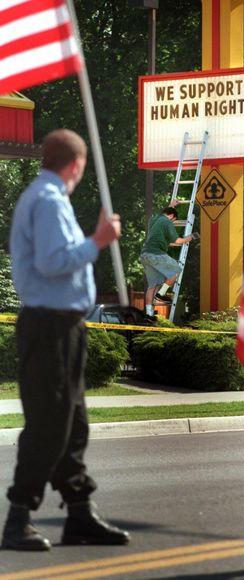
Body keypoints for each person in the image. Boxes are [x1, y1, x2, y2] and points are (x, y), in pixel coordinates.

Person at [2, 129, 130, 551]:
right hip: (50, 326)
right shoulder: (49, 201)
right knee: (50, 424)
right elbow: (53, 261)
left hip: (63, 326)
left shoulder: (48, 199)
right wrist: (99, 241)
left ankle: (79, 513)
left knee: (73, 424)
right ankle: (18, 517)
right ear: (76, 165)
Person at [140, 205, 192, 318]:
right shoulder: (167, 222)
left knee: (152, 285)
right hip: (156, 254)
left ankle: (149, 314)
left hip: (145, 255)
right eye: (174, 220)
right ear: (172, 216)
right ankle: (161, 294)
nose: (173, 223)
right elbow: (178, 241)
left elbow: (165, 212)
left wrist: (172, 205)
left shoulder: (154, 218)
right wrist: (190, 237)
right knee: (176, 271)